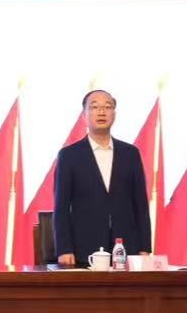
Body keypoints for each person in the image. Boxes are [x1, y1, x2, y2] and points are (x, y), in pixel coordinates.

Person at [54, 89, 152, 266]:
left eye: (108, 107)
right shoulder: (69, 156)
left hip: (126, 250)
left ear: (114, 114)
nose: (101, 111)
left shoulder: (130, 154)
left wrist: (144, 247)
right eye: (94, 107)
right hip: (83, 249)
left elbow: (141, 205)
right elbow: (61, 207)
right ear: (84, 114)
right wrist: (64, 249)